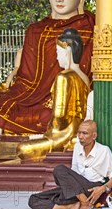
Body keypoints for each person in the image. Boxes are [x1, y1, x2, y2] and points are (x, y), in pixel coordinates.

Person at [0, 0, 94, 135]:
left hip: (66, 98)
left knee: (49, 115)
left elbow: (91, 78)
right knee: (1, 108)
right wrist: (15, 74)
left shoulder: (91, 27)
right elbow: (26, 79)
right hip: (30, 96)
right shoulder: (35, 30)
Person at [28, 120, 112, 209]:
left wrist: (102, 188)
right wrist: (68, 185)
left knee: (59, 169)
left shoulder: (104, 150)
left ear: (94, 135)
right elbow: (74, 171)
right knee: (33, 199)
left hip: (91, 189)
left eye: (85, 133)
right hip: (76, 190)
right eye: (79, 133)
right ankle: (73, 206)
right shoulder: (77, 147)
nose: (80, 136)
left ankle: (85, 203)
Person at [17, 29, 90, 160]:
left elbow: (60, 117)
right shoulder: (84, 78)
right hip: (77, 131)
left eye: (58, 52)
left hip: (63, 134)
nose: (57, 57)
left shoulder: (64, 77)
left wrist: (48, 134)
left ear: (67, 51)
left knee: (22, 149)